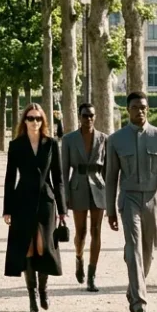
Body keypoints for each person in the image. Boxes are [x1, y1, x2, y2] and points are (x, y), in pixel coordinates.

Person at [104, 91, 157, 312]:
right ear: (128, 110)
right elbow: (111, 177)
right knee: (133, 247)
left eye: (144, 107)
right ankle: (140, 304)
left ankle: (133, 289)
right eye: (135, 107)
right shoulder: (115, 140)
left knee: (148, 251)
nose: (141, 110)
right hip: (129, 199)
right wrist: (111, 210)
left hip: (153, 201)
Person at [3, 103, 65, 312]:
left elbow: (58, 178)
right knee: (27, 247)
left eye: (38, 118)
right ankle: (32, 296)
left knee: (43, 246)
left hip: (46, 200)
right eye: (30, 118)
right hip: (22, 200)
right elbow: (10, 178)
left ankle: (43, 288)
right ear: (24, 121)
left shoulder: (51, 144)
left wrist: (63, 207)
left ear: (43, 121)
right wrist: (7, 208)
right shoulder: (16, 145)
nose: (34, 122)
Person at [60, 103, 108, 292]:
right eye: (85, 115)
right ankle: (79, 257)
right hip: (78, 185)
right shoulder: (69, 139)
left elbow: (109, 170)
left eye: (91, 115)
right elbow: (64, 170)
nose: (88, 119)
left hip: (98, 187)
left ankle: (92, 275)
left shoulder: (104, 139)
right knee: (81, 232)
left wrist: (109, 195)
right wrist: (64, 196)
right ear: (79, 117)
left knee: (96, 231)